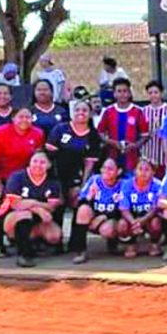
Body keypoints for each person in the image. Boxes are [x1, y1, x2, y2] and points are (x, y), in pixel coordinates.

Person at [45, 99, 102, 252]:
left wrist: (84, 183)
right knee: (58, 204)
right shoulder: (60, 129)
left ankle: (75, 242)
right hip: (57, 173)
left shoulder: (93, 136)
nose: (80, 113)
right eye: (77, 110)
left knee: (77, 201)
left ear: (90, 114)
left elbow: (89, 163)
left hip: (77, 175)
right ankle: (55, 242)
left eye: (84, 110)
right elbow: (49, 154)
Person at [0, 107, 45, 256]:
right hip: (2, 176)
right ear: (13, 118)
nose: (24, 120)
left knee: (24, 210)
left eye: (28, 117)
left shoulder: (37, 133)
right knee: (0, 209)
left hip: (25, 179)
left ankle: (25, 240)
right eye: (20, 117)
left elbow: (39, 157)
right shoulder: (0, 132)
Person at [0, 151, 63, 267]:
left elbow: (52, 206)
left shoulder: (53, 182)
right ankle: (23, 254)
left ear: (49, 165)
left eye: (42, 162)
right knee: (25, 214)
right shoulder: (17, 177)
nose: (38, 165)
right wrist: (38, 207)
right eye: (35, 161)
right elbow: (15, 204)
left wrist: (29, 203)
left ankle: (33, 243)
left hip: (38, 219)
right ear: (29, 162)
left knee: (54, 236)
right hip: (13, 218)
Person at [69, 158, 125, 264]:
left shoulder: (123, 184)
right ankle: (80, 251)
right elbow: (81, 201)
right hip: (94, 215)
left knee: (108, 229)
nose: (106, 171)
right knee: (83, 210)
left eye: (110, 169)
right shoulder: (95, 180)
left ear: (119, 171)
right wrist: (90, 196)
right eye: (104, 168)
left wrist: (105, 217)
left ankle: (112, 244)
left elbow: (125, 208)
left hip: (111, 218)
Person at [97, 78, 150, 171]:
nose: (122, 94)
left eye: (125, 91)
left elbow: (145, 135)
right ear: (114, 94)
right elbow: (100, 133)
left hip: (133, 159)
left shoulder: (138, 111)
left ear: (129, 93)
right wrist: (112, 142)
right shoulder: (108, 111)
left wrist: (134, 145)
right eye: (119, 91)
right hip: (112, 158)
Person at [117, 157, 164, 258]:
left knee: (156, 223)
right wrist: (134, 222)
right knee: (121, 225)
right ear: (135, 171)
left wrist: (143, 220)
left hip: (150, 216)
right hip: (131, 216)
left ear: (153, 172)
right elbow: (124, 208)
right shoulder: (126, 184)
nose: (143, 172)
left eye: (147, 169)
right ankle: (131, 244)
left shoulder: (158, 185)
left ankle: (154, 243)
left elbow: (156, 208)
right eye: (140, 169)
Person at [141, 80, 167, 177]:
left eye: (156, 92)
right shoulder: (143, 111)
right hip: (148, 154)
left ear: (161, 93)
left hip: (165, 156)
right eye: (150, 93)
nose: (153, 95)